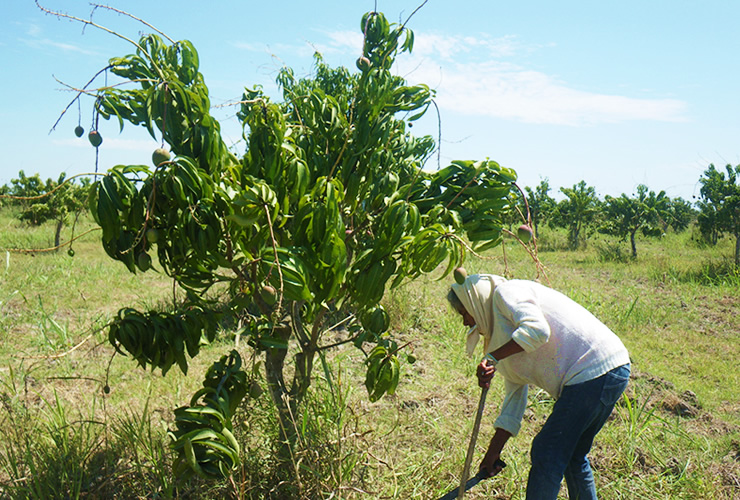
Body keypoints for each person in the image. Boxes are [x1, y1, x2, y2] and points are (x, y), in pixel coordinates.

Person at [447, 273, 630, 500]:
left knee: (547, 451)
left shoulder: (506, 294)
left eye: (465, 313)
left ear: (475, 301)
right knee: (572, 455)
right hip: (610, 371)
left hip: (594, 369)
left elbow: (538, 331)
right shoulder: (500, 339)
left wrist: (493, 357)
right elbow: (514, 398)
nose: (466, 322)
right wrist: (494, 451)